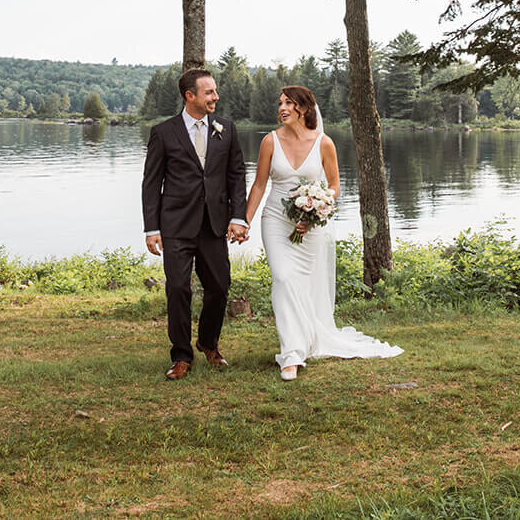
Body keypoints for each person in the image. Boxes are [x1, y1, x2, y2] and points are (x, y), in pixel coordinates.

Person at [245, 85, 402, 380]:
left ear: (303, 108)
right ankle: (291, 354)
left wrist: (314, 212)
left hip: (310, 229)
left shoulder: (324, 143)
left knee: (304, 285)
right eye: (280, 103)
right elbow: (259, 185)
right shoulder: (269, 141)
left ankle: (304, 340)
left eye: (288, 103)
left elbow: (333, 185)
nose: (282, 108)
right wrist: (245, 221)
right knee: (283, 277)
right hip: (276, 221)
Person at [142, 68, 248, 381]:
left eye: (215, 91)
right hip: (175, 223)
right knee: (177, 288)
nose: (215, 97)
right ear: (190, 96)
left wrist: (237, 216)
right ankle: (181, 356)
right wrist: (151, 228)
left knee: (219, 287)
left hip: (214, 224)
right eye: (209, 92)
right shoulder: (164, 132)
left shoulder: (226, 129)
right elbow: (151, 183)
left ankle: (207, 341)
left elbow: (236, 175)